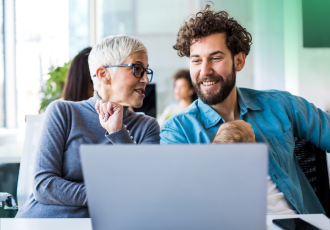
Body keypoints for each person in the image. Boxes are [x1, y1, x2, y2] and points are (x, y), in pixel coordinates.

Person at [160, 5, 330, 216]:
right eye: (196, 60)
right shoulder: (177, 131)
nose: (204, 71)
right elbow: (179, 205)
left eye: (215, 58)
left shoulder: (280, 104)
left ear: (238, 61)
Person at [16, 35, 160, 218]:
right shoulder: (63, 112)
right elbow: (43, 185)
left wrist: (118, 132)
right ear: (103, 75)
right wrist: (111, 195)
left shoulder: (147, 127)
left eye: (147, 71)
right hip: (43, 221)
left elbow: (145, 189)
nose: (146, 79)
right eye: (137, 69)